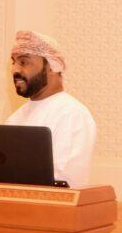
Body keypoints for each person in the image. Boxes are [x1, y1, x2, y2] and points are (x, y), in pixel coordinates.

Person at [7, 30, 96, 188]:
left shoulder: (72, 114)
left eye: (24, 62)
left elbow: (64, 182)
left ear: (51, 67)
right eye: (14, 62)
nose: (15, 70)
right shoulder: (14, 119)